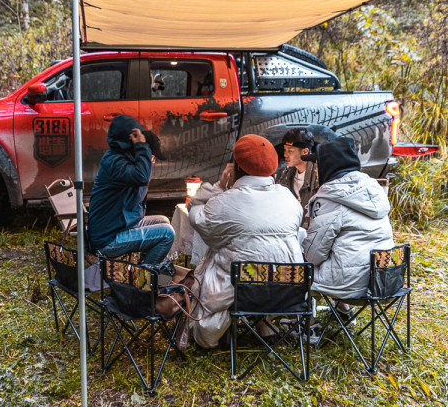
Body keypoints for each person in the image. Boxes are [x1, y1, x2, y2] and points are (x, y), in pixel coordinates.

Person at [187, 134, 305, 348]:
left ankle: (218, 332)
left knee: (215, 259)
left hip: (242, 291)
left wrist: (217, 188)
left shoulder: (224, 202)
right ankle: (266, 324)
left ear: (236, 168)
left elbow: (196, 217)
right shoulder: (289, 199)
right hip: (285, 290)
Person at [302, 136, 394, 300]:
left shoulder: (331, 199)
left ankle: (305, 322)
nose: (315, 170)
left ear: (328, 166)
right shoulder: (372, 189)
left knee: (296, 268)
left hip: (348, 283)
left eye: (317, 165)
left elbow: (313, 256)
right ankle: (344, 312)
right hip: (382, 279)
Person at [87, 115, 174, 265]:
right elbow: (141, 177)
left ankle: (141, 266)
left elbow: (139, 182)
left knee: (164, 221)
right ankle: (144, 277)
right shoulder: (114, 162)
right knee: (167, 234)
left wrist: (143, 157)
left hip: (119, 226)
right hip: (108, 239)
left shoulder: (123, 160)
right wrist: (142, 149)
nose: (151, 160)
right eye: (150, 156)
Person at [276, 127, 319, 228]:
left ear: (305, 151)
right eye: (285, 150)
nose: (285, 154)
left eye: (290, 151)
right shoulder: (285, 175)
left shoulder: (318, 177)